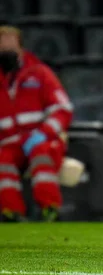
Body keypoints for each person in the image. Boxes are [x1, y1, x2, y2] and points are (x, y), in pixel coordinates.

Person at [0, 26, 74, 222]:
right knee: (2, 160)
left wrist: (44, 132)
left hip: (42, 138)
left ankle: (49, 209)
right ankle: (11, 213)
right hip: (8, 142)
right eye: (2, 47)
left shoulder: (40, 73)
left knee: (41, 153)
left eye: (10, 46)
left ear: (21, 49)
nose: (6, 51)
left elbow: (62, 108)